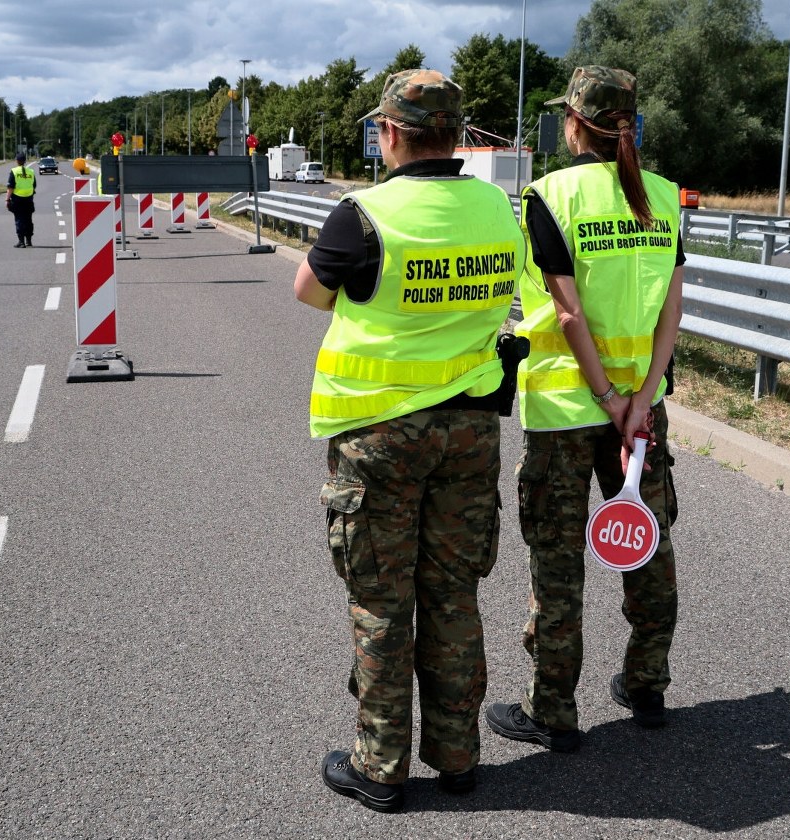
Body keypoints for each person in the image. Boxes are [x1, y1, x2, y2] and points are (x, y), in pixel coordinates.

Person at [294, 68, 525, 813]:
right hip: (469, 431)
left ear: (388, 133)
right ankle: (459, 757)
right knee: (453, 592)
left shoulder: (363, 214)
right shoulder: (495, 207)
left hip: (380, 437)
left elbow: (309, 290)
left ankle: (382, 765)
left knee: (383, 601)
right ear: (456, 136)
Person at [485, 66, 686, 752]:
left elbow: (567, 313)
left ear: (573, 123)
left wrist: (604, 397)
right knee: (646, 541)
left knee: (559, 557)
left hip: (571, 408)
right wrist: (639, 401)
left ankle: (553, 711)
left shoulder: (549, 194)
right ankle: (647, 684)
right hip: (641, 408)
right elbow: (671, 312)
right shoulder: (661, 194)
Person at [6, 152, 36, 247]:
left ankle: (21, 241)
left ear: (17, 161)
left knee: (19, 219)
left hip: (17, 199)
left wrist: (7, 200)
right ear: (25, 161)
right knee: (28, 219)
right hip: (29, 199)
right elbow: (34, 185)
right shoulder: (31, 171)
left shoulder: (14, 171)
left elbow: (10, 187)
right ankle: (29, 240)